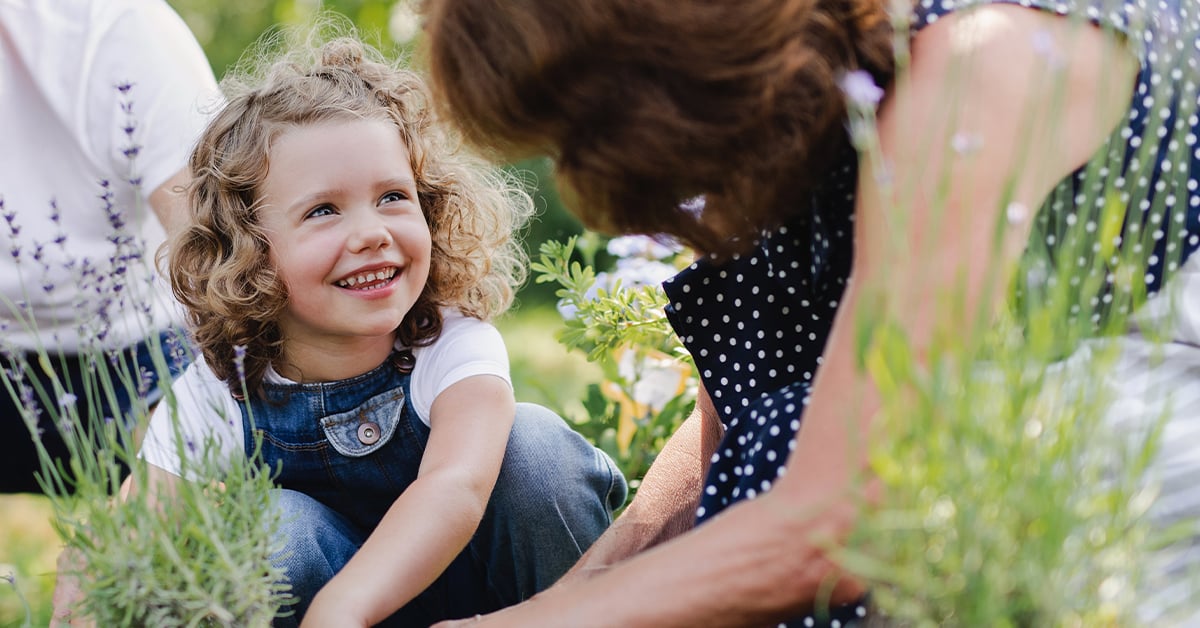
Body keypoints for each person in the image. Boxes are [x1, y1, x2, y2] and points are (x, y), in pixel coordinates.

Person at [422, 0, 1200, 624]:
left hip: (1157, 432)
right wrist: (569, 597)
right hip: (1042, 440)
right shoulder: (819, 109)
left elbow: (837, 515)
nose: (575, 176)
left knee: (785, 456)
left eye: (570, 134)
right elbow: (736, 429)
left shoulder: (972, 70)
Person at [64, 34, 627, 627]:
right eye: (324, 211)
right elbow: (140, 526)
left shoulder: (452, 342)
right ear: (251, 252)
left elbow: (455, 484)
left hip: (496, 607)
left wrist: (343, 608)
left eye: (392, 197)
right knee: (269, 526)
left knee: (536, 449)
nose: (371, 233)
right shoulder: (223, 385)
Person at [0, 0, 219, 494]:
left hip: (142, 352)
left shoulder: (120, 30)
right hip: (7, 354)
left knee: (211, 514)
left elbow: (221, 258)